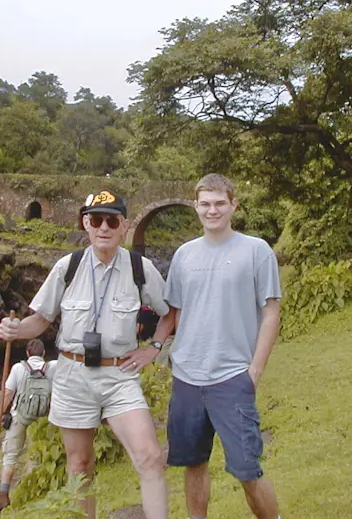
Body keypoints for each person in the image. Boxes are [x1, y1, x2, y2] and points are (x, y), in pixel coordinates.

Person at [0, 190, 171, 519]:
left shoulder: (140, 268)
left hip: (120, 375)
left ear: (124, 226)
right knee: (80, 465)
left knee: (149, 456)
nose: (103, 227)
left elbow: (169, 311)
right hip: (72, 375)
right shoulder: (69, 266)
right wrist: (15, 330)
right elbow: (41, 320)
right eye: (96, 219)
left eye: (112, 220)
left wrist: (154, 348)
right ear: (85, 224)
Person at [135, 173, 283, 519]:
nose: (212, 210)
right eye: (205, 203)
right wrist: (154, 347)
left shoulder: (256, 250)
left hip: (233, 376)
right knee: (193, 463)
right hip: (187, 377)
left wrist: (255, 370)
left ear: (234, 205)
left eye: (219, 203)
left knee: (247, 468)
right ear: (196, 206)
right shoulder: (185, 255)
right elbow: (172, 313)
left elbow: (271, 312)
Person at [0, 338, 57, 512]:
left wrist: (0, 415)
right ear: (43, 353)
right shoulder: (52, 368)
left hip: (19, 416)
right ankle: (39, 488)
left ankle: (3, 495)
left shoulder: (17, 368)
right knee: (38, 453)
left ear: (27, 354)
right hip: (43, 418)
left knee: (10, 456)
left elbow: (8, 394)